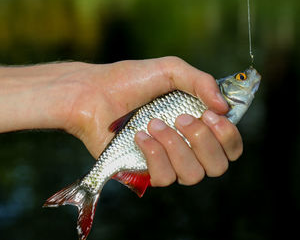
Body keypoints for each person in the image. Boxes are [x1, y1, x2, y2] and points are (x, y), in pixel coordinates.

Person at [0, 56, 242, 186]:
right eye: (241, 78)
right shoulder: (217, 97)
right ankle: (89, 186)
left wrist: (84, 97)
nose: (246, 79)